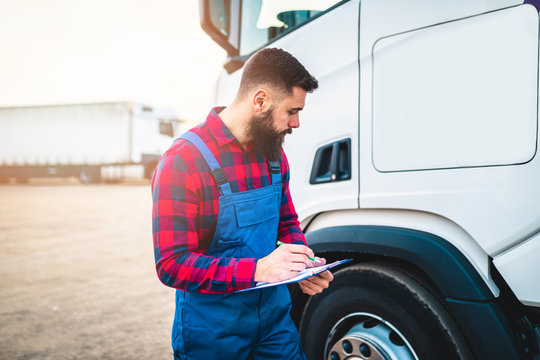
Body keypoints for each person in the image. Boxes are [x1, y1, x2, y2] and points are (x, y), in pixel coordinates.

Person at [151, 47, 334, 360]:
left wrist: (302, 264)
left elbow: (287, 221)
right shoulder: (183, 160)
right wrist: (259, 269)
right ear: (260, 100)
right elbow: (171, 264)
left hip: (275, 324)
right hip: (213, 333)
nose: (297, 123)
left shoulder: (273, 154)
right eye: (291, 111)